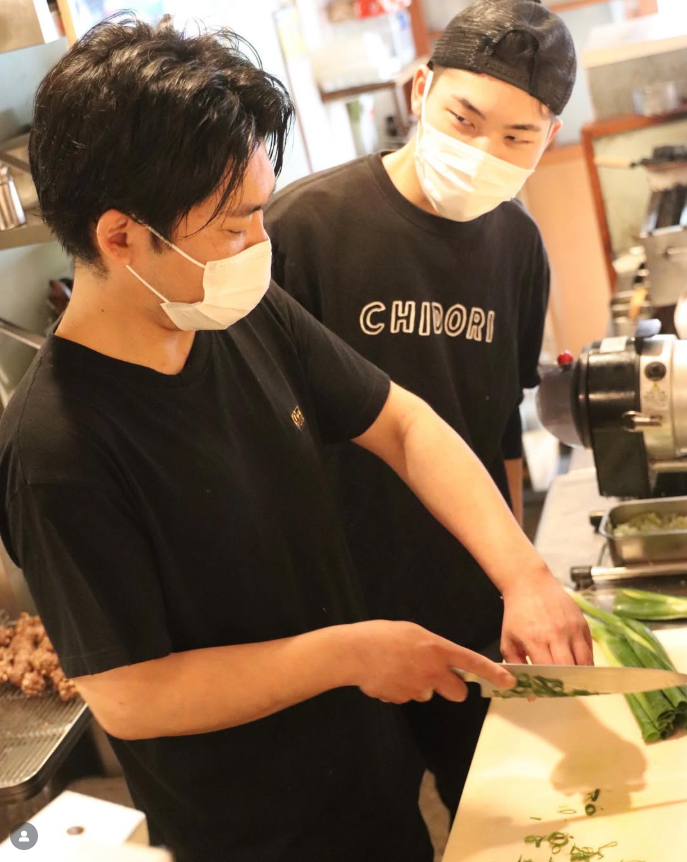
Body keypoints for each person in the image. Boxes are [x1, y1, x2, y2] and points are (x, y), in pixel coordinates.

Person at [0, 15, 590, 862]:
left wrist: (522, 575)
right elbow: (130, 694)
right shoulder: (57, 447)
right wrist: (346, 654)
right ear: (121, 236)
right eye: (235, 226)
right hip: (256, 833)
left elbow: (403, 423)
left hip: (365, 781)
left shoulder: (241, 317)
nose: (260, 244)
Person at [265, 0, 577, 818]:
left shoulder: (518, 247)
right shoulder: (305, 226)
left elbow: (499, 426)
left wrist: (512, 579)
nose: (481, 153)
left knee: (497, 815)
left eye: (516, 137)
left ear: (548, 138)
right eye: (463, 119)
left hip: (463, 602)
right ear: (420, 88)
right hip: (332, 613)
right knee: (368, 829)